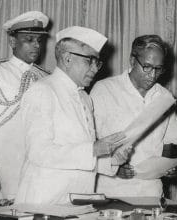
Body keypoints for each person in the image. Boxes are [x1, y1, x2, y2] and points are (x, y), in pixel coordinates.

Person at [15, 26, 130, 204]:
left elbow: (82, 159)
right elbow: (39, 153)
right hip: (45, 202)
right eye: (89, 60)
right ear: (67, 58)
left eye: (97, 62)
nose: (95, 68)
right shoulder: (43, 91)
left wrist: (113, 160)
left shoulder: (84, 98)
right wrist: (93, 149)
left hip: (77, 200)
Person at [0, 11, 50, 200]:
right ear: (13, 42)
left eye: (39, 40)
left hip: (37, 170)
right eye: (29, 39)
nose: (36, 45)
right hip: (3, 169)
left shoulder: (46, 78)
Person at [90, 35, 177, 197]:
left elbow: (169, 143)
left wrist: (168, 166)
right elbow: (88, 142)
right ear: (132, 60)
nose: (152, 75)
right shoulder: (104, 90)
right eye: (147, 66)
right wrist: (113, 166)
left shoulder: (164, 97)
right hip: (110, 190)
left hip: (151, 193)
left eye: (158, 68)